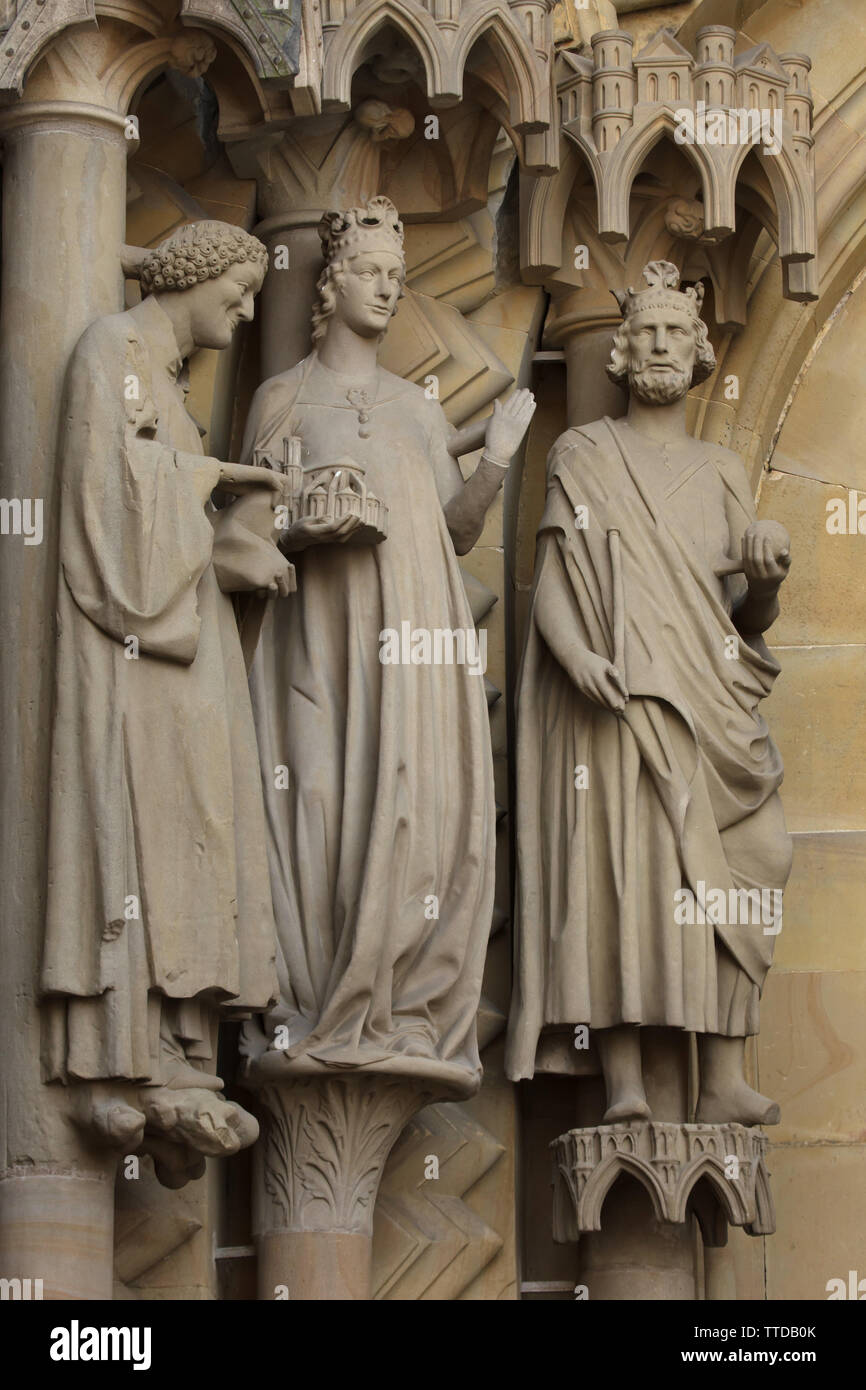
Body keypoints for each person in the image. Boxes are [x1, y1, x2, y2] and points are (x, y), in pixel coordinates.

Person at [240, 196, 535, 1094]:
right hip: (318, 643)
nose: (385, 287)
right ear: (329, 282)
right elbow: (247, 526)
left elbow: (454, 529)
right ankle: (314, 994)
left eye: (397, 278)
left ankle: (399, 998)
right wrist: (303, 522)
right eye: (368, 271)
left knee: (409, 804)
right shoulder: (282, 395)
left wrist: (496, 459)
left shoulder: (416, 408)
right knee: (318, 798)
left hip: (415, 642)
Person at [506, 261, 792, 1127]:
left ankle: (722, 1077)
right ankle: (623, 1081)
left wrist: (768, 571)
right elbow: (553, 571)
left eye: (677, 330)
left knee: (758, 856)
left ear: (701, 348)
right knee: (625, 878)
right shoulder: (585, 453)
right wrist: (574, 655)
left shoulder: (720, 468)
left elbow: (749, 615)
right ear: (622, 351)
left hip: (712, 702)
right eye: (649, 331)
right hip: (621, 697)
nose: (663, 343)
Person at [42, 221, 292, 1178]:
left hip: (190, 656)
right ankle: (119, 1052)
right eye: (237, 291)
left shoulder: (172, 383)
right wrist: (217, 479)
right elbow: (102, 494)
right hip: (139, 658)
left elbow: (165, 512)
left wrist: (243, 543)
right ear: (195, 276)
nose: (244, 309)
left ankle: (185, 1052)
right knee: (140, 834)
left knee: (199, 836)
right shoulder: (115, 350)